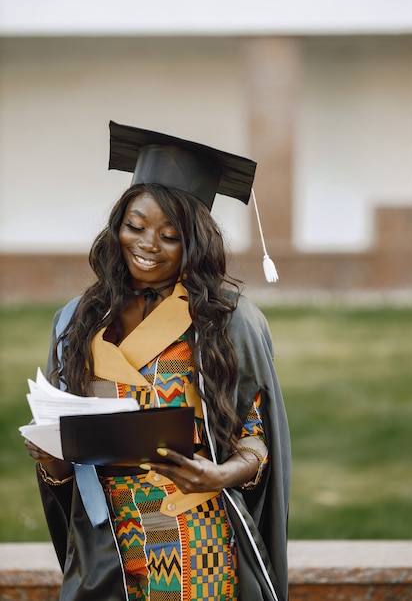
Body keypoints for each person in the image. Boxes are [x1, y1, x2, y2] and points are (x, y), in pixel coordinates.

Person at [25, 121, 291, 601]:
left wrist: (222, 473)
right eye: (136, 226)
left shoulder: (227, 321)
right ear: (117, 226)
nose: (147, 244)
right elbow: (64, 456)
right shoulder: (79, 320)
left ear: (195, 242)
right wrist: (52, 460)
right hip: (106, 545)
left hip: (197, 548)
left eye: (170, 235)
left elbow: (256, 437)